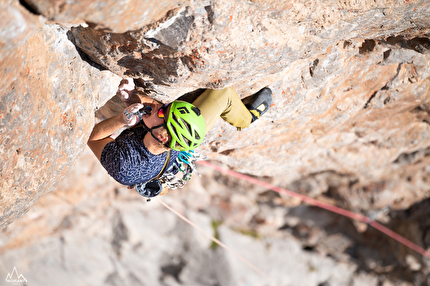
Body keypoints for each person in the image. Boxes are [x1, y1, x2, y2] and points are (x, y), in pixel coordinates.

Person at [88, 85, 272, 198]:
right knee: (223, 95)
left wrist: (121, 119)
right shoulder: (164, 132)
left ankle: (245, 119)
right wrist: (129, 96)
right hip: (179, 143)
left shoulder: (123, 165)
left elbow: (93, 138)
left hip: (157, 158)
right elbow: (152, 108)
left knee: (223, 95)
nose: (159, 107)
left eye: (163, 111)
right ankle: (247, 118)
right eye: (165, 109)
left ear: (160, 136)